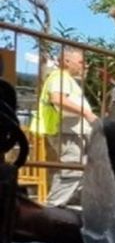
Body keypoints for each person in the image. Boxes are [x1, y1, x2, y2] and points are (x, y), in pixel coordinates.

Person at [29, 47, 97, 208]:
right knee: (72, 167)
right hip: (65, 130)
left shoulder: (64, 78)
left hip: (69, 130)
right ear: (66, 61)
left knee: (82, 166)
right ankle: (53, 207)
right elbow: (58, 99)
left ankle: (72, 203)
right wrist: (86, 113)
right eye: (81, 62)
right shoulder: (60, 78)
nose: (85, 65)